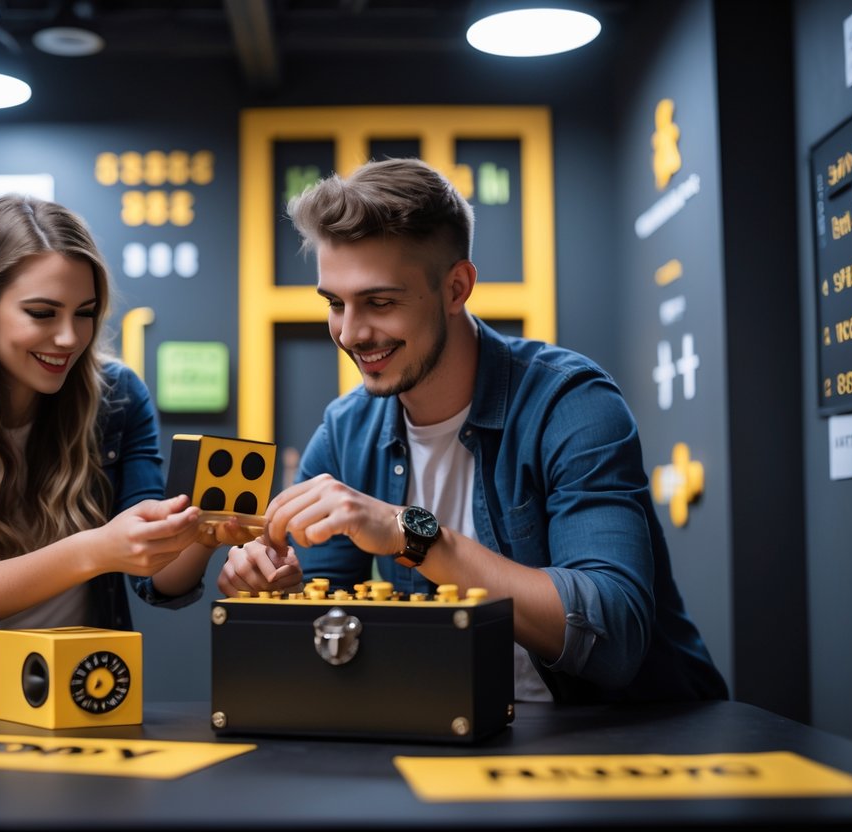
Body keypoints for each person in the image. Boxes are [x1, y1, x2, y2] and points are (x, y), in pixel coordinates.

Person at [218, 158, 728, 704]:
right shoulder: (347, 429)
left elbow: (611, 631)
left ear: (457, 287)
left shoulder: (571, 403)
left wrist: (409, 533)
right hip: (454, 730)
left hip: (633, 742)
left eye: (380, 302)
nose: (351, 333)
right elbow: (327, 623)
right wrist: (277, 591)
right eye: (335, 304)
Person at [0, 194, 242, 703]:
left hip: (73, 702)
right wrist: (93, 550)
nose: (68, 337)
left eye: (85, 313)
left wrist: (202, 535)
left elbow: (159, 581)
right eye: (41, 312)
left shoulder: (118, 397)